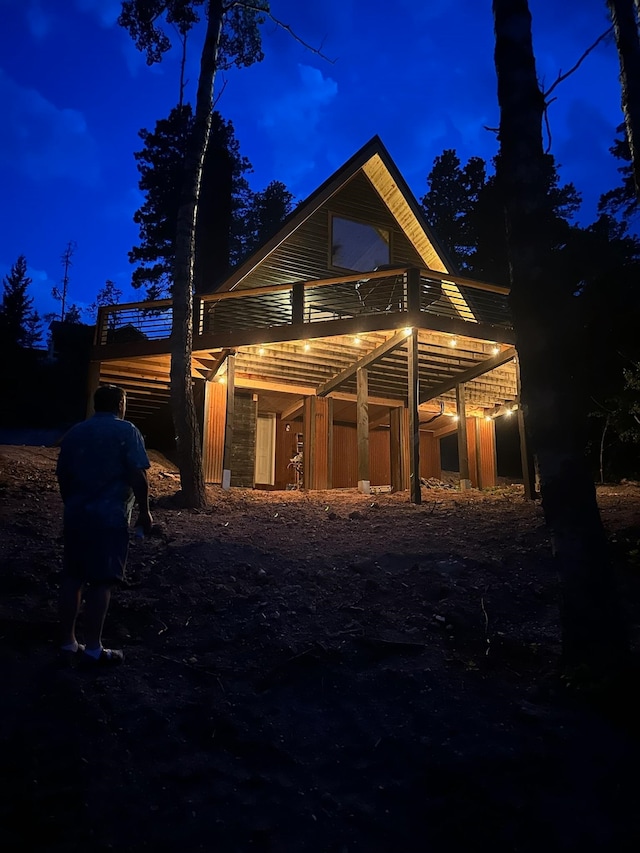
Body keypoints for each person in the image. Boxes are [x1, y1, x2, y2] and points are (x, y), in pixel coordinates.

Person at [56, 384, 153, 666]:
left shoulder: (76, 432)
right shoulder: (127, 431)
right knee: (102, 581)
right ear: (120, 403)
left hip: (76, 515)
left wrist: (71, 503)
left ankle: (67, 642)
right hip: (109, 517)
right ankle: (94, 648)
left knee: (73, 578)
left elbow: (63, 473)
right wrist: (145, 512)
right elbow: (138, 475)